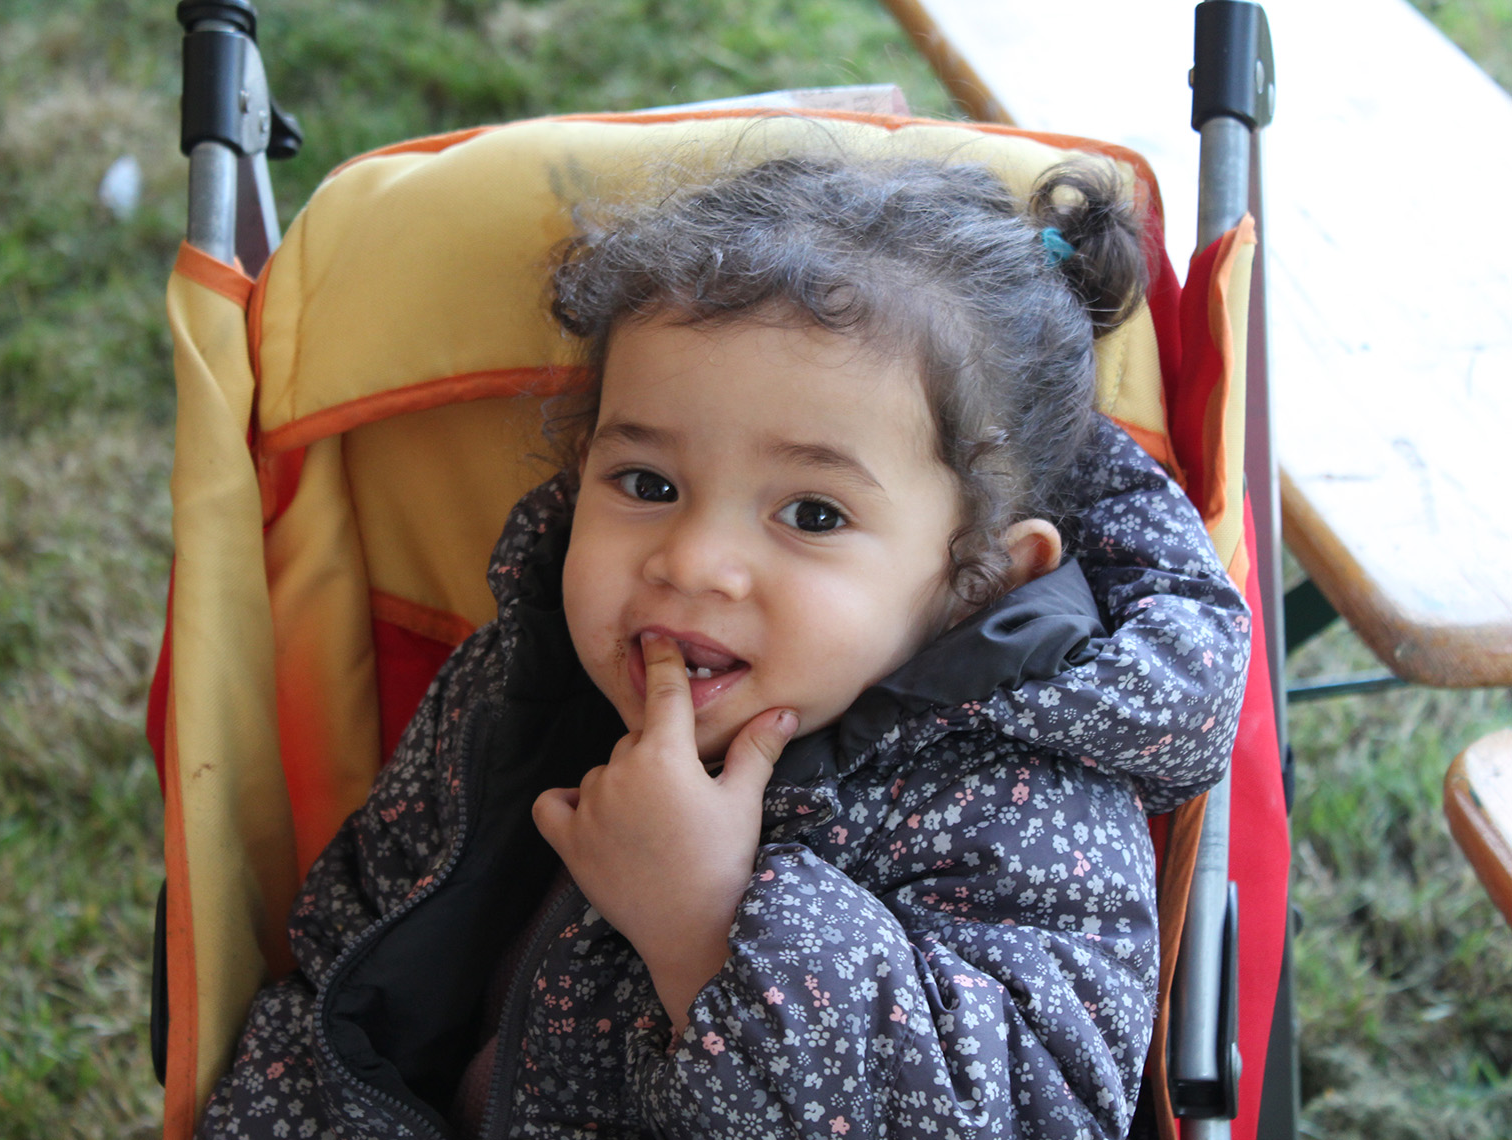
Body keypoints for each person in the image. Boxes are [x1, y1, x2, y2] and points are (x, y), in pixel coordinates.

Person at [196, 152, 1251, 1140]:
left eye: (812, 514)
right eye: (647, 484)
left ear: (980, 578)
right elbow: (345, 971)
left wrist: (707, 931)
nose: (692, 562)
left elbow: (1029, 1113)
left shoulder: (1026, 805)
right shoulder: (522, 682)